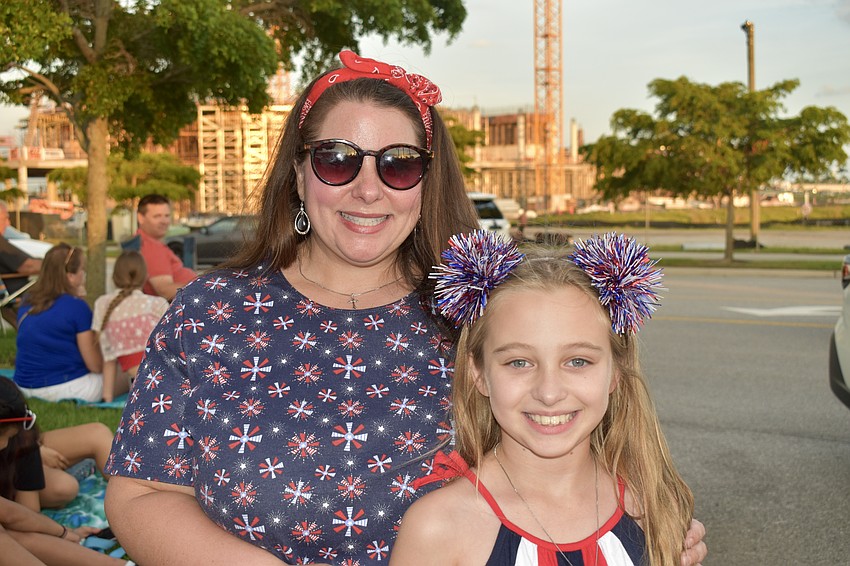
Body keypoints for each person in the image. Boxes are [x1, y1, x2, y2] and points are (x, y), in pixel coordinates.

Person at [104, 51, 706, 565]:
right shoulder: (210, 312)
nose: (369, 189)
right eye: (339, 159)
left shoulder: (477, 308)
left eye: (398, 164)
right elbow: (140, 495)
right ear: (297, 170)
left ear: (426, 180)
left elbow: (581, 431)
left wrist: (630, 534)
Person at [392, 232, 696, 566]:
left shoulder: (652, 507)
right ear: (478, 373)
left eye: (577, 361)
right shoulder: (440, 528)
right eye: (519, 362)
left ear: (616, 371)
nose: (549, 393)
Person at [0, 378, 131, 566]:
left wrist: (64, 533)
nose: (6, 443)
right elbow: (12, 516)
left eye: (11, 437)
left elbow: (21, 515)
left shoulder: (20, 440)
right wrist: (63, 532)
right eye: (6, 437)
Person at [13, 244, 104, 402]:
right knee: (121, 371)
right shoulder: (77, 306)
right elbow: (95, 365)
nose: (84, 274)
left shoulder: (27, 300)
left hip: (24, 387)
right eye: (82, 269)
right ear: (70, 276)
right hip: (66, 387)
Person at [92, 251, 169, 402]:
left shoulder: (102, 304)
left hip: (135, 384)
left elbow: (109, 359)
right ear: (145, 276)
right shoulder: (157, 304)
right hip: (164, 381)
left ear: (114, 277)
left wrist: (106, 399)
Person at [134, 194, 196, 300]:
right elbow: (165, 290)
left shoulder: (146, 242)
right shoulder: (151, 247)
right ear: (141, 218)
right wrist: (203, 286)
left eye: (167, 216)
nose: (164, 221)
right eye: (157, 216)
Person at [0, 201, 42, 329]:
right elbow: (28, 266)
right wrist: (56, 262)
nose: (9, 223)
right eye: (6, 218)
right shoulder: (1, 245)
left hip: (10, 298)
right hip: (17, 296)